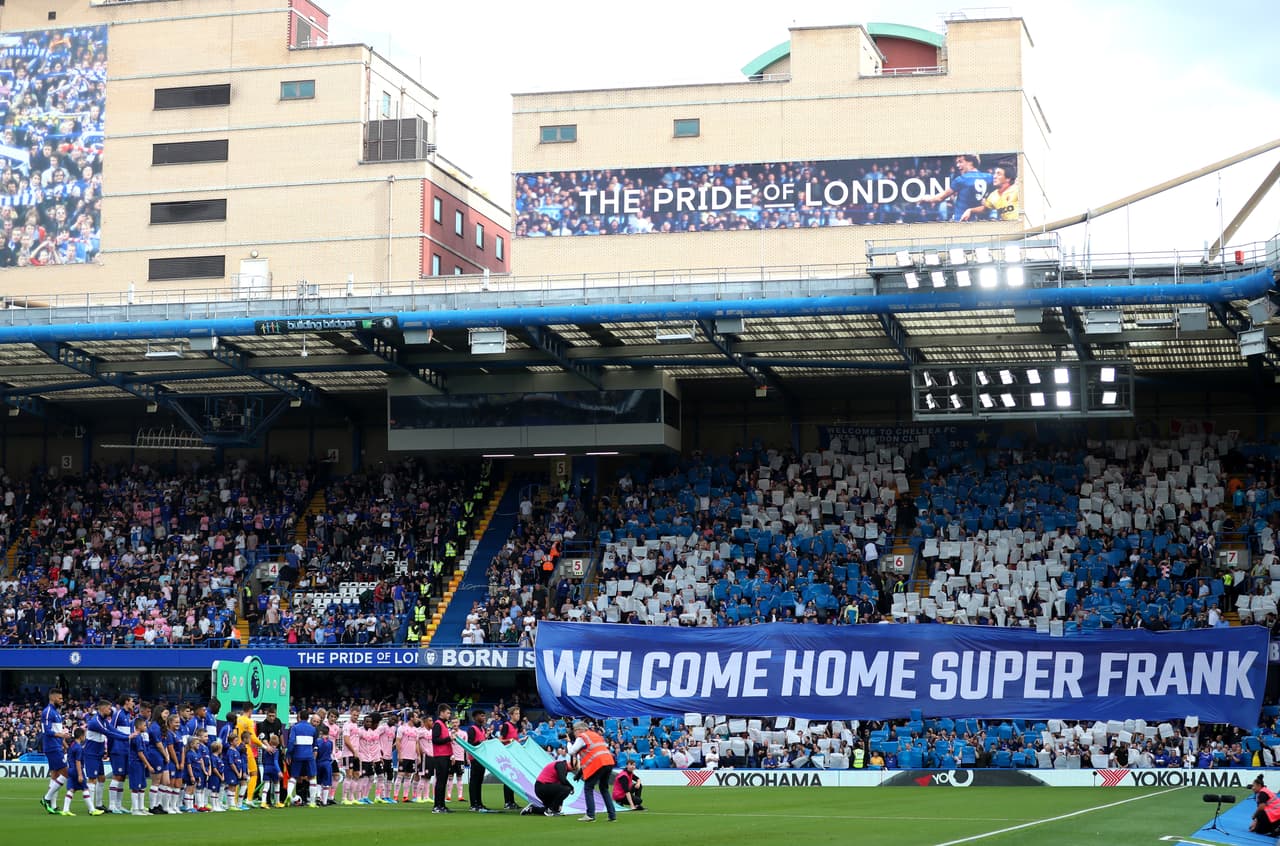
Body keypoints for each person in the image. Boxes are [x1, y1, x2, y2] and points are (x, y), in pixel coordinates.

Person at [567, 720, 616, 823]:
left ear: (579, 730)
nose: (574, 734)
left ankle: (590, 815)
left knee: (588, 788)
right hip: (608, 762)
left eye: (575, 731)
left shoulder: (582, 737)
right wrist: (579, 774)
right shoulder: (596, 735)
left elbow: (572, 751)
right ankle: (612, 815)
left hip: (597, 764)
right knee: (604, 788)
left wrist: (568, 742)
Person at [923, 154, 992, 221]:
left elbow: (939, 198)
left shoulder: (961, 179)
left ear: (970, 162)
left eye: (960, 162)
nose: (957, 165)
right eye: (957, 162)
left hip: (961, 220)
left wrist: (925, 199)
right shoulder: (989, 177)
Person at [39, 688, 71, 815]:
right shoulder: (47, 712)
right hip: (52, 748)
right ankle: (46, 799)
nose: (62, 701)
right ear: (52, 698)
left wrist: (65, 744)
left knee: (55, 776)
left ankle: (53, 805)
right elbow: (46, 731)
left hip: (57, 746)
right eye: (60, 698)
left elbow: (57, 731)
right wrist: (61, 735)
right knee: (67, 773)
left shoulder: (56, 713)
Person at [64, 727, 100, 816]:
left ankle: (65, 809)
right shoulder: (78, 748)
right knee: (85, 788)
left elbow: (68, 749)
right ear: (81, 736)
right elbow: (78, 761)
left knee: (71, 789)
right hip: (77, 770)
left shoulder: (72, 745)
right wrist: (80, 774)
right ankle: (92, 809)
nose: (85, 737)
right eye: (84, 735)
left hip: (70, 769)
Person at [288, 709, 319, 808]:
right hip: (309, 756)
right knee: (312, 777)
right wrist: (314, 752)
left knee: (294, 776)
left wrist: (289, 754)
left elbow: (291, 741)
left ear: (300, 716)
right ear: (308, 718)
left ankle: (289, 794)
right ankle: (313, 802)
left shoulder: (295, 728)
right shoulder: (313, 729)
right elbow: (315, 744)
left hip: (297, 755)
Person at [493, 705, 522, 810]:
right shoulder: (506, 725)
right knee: (508, 779)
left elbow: (514, 740)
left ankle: (512, 801)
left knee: (513, 779)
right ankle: (507, 802)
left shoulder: (516, 726)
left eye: (519, 713)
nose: (518, 715)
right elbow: (500, 740)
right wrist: (509, 741)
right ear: (511, 715)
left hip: (514, 755)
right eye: (516, 714)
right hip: (507, 756)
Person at [464, 709, 491, 811]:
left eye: (484, 716)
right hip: (475, 758)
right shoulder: (472, 729)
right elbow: (470, 744)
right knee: (474, 781)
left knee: (479, 781)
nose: (484, 718)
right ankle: (473, 804)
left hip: (482, 758)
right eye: (481, 716)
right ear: (475, 717)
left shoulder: (483, 729)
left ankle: (479, 803)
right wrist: (480, 742)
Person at [129, 715, 156, 815]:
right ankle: (135, 809)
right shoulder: (136, 737)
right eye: (144, 725)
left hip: (140, 764)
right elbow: (140, 753)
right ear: (139, 726)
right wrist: (148, 765)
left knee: (142, 786)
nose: (146, 727)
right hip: (135, 763)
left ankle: (140, 808)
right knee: (136, 786)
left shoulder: (140, 736)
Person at [429, 704, 454, 813]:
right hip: (440, 756)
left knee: (443, 781)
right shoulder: (438, 724)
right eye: (448, 713)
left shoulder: (443, 724)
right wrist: (449, 738)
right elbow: (435, 740)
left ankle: (441, 805)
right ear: (442, 712)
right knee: (440, 781)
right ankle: (437, 806)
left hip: (445, 755)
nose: (449, 715)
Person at [315, 724, 335, 806]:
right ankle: (325, 801)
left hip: (318, 762)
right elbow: (330, 752)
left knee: (319, 781)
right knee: (326, 782)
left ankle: (318, 796)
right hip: (327, 763)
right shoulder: (330, 742)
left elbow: (316, 752)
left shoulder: (317, 741)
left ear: (321, 732)